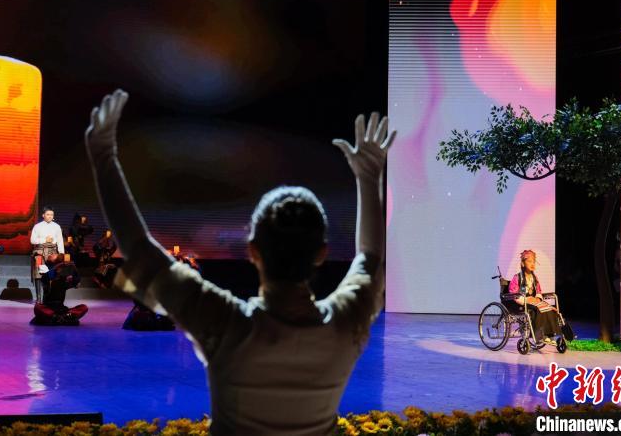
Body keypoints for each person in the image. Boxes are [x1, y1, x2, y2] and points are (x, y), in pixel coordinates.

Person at [85, 89, 395, 435]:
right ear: (322, 253)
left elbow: (139, 248)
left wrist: (104, 156)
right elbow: (370, 258)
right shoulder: (345, 322)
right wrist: (369, 178)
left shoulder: (225, 325)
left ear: (252, 251)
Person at [508, 250, 561, 345]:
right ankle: (540, 336)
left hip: (534, 301)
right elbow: (514, 294)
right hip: (523, 303)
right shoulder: (517, 278)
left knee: (550, 309)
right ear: (523, 263)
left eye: (533, 261)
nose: (532, 264)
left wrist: (538, 298)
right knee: (537, 309)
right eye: (529, 261)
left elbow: (539, 291)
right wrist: (526, 299)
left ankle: (551, 335)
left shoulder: (534, 278)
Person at [30, 253, 88, 326]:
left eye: (54, 254)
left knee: (84, 307)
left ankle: (59, 317)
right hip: (49, 308)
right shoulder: (48, 276)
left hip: (61, 309)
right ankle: (62, 318)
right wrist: (58, 266)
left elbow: (77, 282)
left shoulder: (64, 280)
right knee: (38, 307)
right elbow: (45, 277)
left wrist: (73, 268)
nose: (52, 254)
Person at [30, 206, 64, 303]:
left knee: (52, 273)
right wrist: (44, 240)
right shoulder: (37, 226)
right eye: (48, 214)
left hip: (52, 253)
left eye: (52, 214)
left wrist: (61, 253)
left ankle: (48, 296)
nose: (50, 216)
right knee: (38, 273)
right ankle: (39, 298)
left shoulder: (57, 226)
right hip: (39, 253)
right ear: (43, 215)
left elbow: (60, 241)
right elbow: (32, 240)